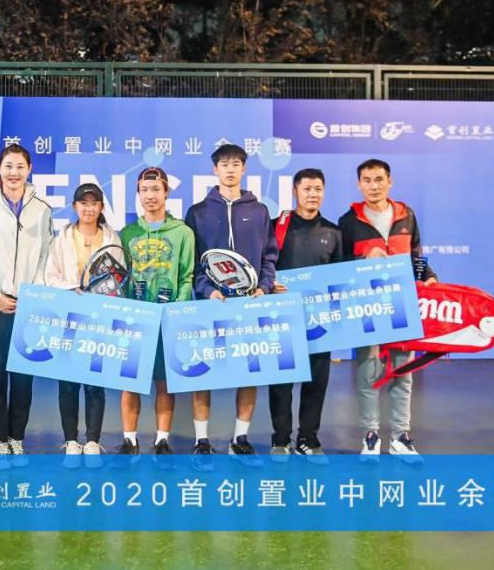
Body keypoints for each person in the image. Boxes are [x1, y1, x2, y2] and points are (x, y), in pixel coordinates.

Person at [184, 144, 278, 470]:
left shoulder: (260, 211)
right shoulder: (197, 212)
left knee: (248, 372)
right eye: (224, 164)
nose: (230, 169)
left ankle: (240, 440)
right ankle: (202, 442)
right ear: (215, 170)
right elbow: (192, 262)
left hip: (248, 304)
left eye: (236, 164)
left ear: (244, 169)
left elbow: (269, 256)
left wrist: (264, 287)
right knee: (202, 374)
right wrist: (207, 290)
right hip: (210, 304)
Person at [338, 158, 437, 462]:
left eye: (379, 179)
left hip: (402, 305)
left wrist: (429, 276)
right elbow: (339, 265)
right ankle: (370, 436)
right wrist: (363, 260)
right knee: (368, 372)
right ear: (359, 185)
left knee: (402, 372)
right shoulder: (348, 221)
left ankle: (401, 437)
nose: (374, 186)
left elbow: (416, 255)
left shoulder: (407, 215)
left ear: (390, 182)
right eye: (367, 180)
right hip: (366, 308)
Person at [0, 144, 53, 468]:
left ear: (29, 170)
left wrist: (34, 293)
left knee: (23, 376)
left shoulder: (42, 209)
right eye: (8, 166)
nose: (14, 173)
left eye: (20, 166)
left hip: (28, 302)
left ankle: (17, 437)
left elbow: (46, 254)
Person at [117, 167, 195, 468]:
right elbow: (121, 278)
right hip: (136, 319)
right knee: (131, 382)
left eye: (155, 189)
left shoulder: (183, 233)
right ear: (138, 194)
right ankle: (129, 439)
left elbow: (186, 275)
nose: (150, 195)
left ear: (166, 192)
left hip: (167, 320)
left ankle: (162, 439)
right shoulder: (128, 234)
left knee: (163, 383)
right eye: (144, 190)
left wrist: (176, 312)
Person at [267, 168, 343, 464]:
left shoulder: (333, 232)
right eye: (307, 189)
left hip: (319, 322)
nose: (313, 194)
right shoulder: (277, 227)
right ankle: (280, 440)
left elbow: (339, 280)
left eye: (318, 189)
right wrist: (270, 283)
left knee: (316, 382)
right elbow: (264, 266)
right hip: (282, 318)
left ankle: (308, 439)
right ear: (295, 192)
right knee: (281, 382)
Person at [44, 183, 121, 467]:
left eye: (94, 203)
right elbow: (49, 276)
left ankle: (92, 441)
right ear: (75, 206)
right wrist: (71, 287)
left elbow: (118, 276)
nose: (88, 208)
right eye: (83, 203)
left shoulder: (112, 238)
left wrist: (100, 294)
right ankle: (71, 441)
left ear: (101, 207)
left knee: (94, 385)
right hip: (68, 318)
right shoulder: (61, 239)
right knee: (67, 384)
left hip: (98, 319)